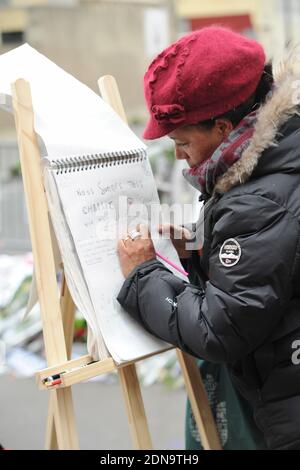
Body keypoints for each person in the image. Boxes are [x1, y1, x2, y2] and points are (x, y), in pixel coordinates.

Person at [116, 27, 300, 450]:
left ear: (222, 127)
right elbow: (274, 263)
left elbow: (221, 328)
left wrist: (145, 276)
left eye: (182, 141)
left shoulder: (258, 200)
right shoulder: (280, 156)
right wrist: (202, 246)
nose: (179, 154)